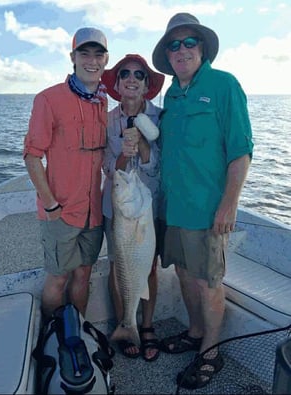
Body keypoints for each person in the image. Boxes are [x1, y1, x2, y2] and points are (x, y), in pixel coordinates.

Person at [152, 13, 253, 389]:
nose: (181, 50)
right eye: (173, 45)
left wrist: (229, 205)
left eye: (188, 42)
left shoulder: (225, 85)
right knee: (182, 272)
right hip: (173, 208)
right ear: (167, 54)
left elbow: (241, 151)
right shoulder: (172, 95)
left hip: (208, 210)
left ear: (202, 48)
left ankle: (211, 352)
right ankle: (195, 332)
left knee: (209, 281)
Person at [23, 27, 109, 319]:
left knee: (83, 276)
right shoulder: (48, 99)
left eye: (99, 54)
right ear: (73, 57)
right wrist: (51, 205)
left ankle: (79, 333)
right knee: (58, 278)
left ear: (106, 60)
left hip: (93, 214)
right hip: (60, 211)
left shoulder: (104, 102)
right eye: (84, 53)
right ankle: (51, 333)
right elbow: (32, 156)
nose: (92, 60)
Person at [101, 54, 165, 361]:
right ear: (116, 83)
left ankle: (147, 325)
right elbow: (107, 166)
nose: (131, 79)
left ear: (147, 84)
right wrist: (124, 155)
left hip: (147, 206)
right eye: (124, 73)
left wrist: (141, 145)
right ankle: (124, 322)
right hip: (119, 208)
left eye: (139, 75)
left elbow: (157, 170)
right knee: (119, 267)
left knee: (148, 267)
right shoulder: (106, 119)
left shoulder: (161, 117)